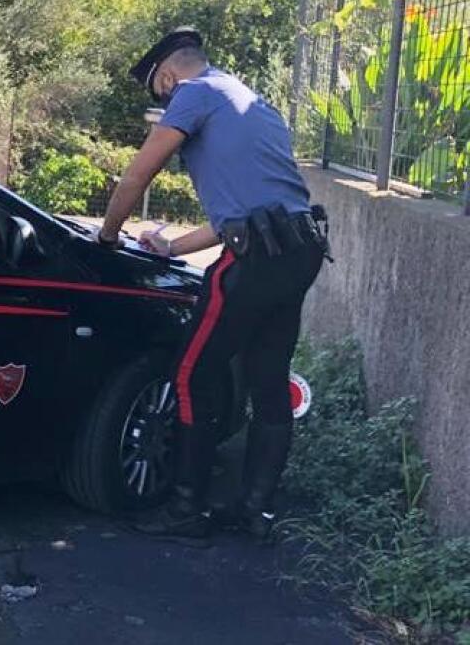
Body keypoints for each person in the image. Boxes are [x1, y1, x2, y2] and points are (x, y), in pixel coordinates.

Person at [95, 27, 329, 543]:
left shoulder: (195, 94)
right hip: (300, 250)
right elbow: (248, 209)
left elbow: (137, 175)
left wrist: (107, 237)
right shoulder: (250, 99)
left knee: (191, 373)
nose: (164, 103)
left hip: (255, 259)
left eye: (160, 91)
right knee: (268, 381)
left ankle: (185, 509)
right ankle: (254, 512)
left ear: (171, 74)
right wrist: (174, 248)